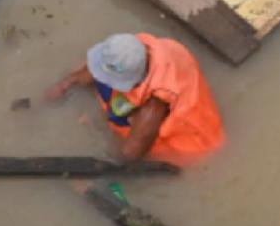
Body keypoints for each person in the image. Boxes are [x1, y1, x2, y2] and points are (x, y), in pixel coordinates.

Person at [46, 33, 225, 165]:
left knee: (119, 119)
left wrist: (105, 163)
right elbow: (99, 67)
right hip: (175, 80)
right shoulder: (135, 50)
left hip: (192, 137)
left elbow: (130, 153)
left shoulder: (154, 105)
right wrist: (65, 84)